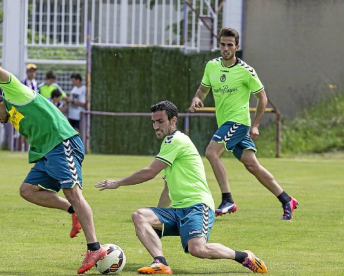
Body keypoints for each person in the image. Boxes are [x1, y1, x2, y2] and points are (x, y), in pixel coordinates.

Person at [0, 62, 106, 274]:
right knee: (27, 190)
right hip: (46, 153)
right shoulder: (10, 112)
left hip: (62, 143)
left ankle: (94, 249)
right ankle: (73, 212)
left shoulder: (15, 93)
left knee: (73, 193)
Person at [95, 101, 268, 274]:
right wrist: (155, 222)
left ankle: (244, 256)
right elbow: (167, 188)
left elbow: (149, 172)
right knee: (140, 216)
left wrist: (117, 182)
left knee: (197, 249)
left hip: (198, 207)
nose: (156, 126)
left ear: (173, 121)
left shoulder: (176, 140)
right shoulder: (167, 144)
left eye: (160, 121)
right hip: (178, 210)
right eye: (153, 122)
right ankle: (160, 262)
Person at [190, 27, 298, 220]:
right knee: (252, 166)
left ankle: (227, 199)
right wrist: (197, 99)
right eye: (223, 44)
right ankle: (286, 199)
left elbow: (262, 98)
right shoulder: (211, 66)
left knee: (211, 152)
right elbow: (202, 90)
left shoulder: (246, 71)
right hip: (226, 123)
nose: (225, 48)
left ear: (237, 47)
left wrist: (255, 125)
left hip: (238, 122)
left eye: (230, 45)